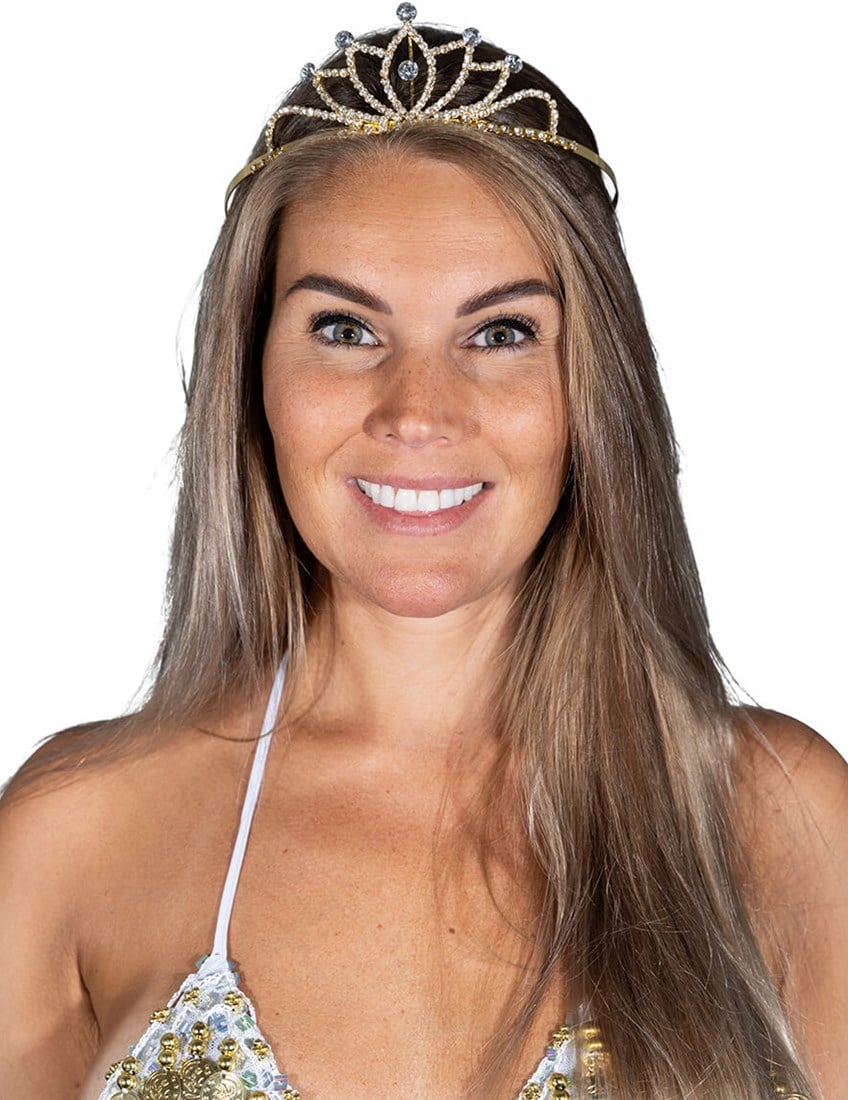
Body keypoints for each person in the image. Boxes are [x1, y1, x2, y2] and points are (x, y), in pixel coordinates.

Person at [1, 7, 845, 1099]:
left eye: (499, 333)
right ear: (250, 374)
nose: (417, 411)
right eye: (344, 328)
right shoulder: (77, 834)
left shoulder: (774, 819)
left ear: (592, 390)